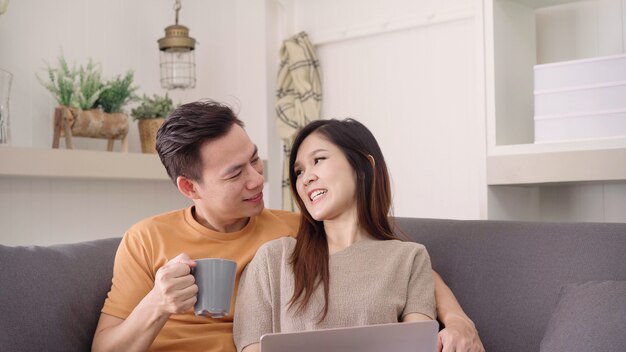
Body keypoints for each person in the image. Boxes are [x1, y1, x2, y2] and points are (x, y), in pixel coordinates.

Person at [91, 100, 484, 352]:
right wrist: (158, 303)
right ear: (190, 187)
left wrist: (457, 319)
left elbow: (393, 263)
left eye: (255, 160)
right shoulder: (145, 239)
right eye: (235, 174)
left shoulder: (294, 230)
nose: (257, 180)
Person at [233, 118, 428, 351]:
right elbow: (251, 347)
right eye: (299, 171)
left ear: (362, 167)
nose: (306, 178)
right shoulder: (273, 258)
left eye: (318, 160)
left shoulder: (411, 258)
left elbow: (420, 345)